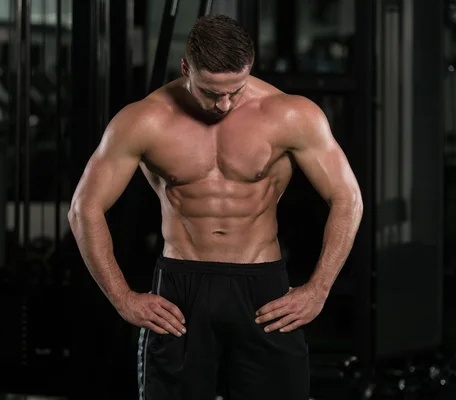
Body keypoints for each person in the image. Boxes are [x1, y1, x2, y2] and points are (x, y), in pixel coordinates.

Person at [68, 14, 363, 400]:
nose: (223, 104)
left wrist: (319, 288)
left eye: (235, 90)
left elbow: (347, 197)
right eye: (209, 92)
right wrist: (123, 297)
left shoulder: (291, 115)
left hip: (262, 289)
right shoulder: (144, 120)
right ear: (186, 67)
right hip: (181, 289)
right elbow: (83, 208)